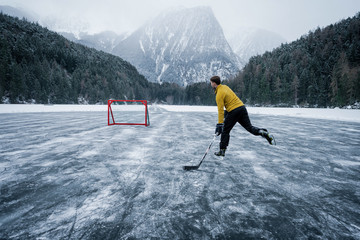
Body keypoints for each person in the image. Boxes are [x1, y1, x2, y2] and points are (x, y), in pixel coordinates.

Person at [210, 75, 275, 157]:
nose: (211, 84)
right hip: (241, 108)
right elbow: (229, 101)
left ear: (214, 83)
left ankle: (222, 151)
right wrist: (226, 115)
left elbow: (220, 110)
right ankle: (263, 132)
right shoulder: (225, 87)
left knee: (225, 130)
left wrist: (220, 124)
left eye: (211, 83)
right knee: (250, 127)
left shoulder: (219, 94)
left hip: (234, 111)